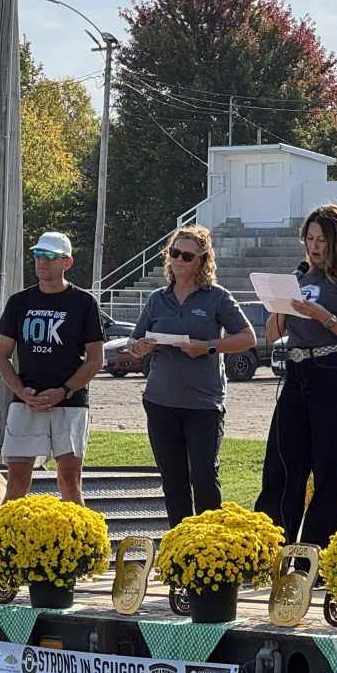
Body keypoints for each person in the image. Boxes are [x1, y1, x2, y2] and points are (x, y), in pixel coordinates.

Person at [254, 203, 337, 550]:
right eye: (309, 238)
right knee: (282, 464)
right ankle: (274, 547)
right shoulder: (301, 278)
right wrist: (278, 304)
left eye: (322, 239)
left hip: (333, 372)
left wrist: (324, 317)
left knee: (327, 468)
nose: (314, 246)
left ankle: (314, 553)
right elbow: (271, 335)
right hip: (296, 372)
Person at [128, 225, 255, 526]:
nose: (179, 260)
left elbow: (248, 337)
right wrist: (140, 347)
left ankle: (210, 545)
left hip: (203, 404)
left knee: (204, 476)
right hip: (160, 401)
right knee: (173, 482)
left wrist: (208, 347)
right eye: (174, 253)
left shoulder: (217, 297)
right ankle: (179, 550)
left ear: (202, 261)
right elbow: (133, 344)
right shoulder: (157, 299)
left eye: (187, 255)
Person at [0, 232, 106, 503]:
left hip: (69, 403)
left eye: (50, 256)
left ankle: (79, 543)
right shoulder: (19, 302)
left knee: (70, 481)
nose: (42, 261)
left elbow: (95, 360)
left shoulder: (84, 302)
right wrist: (21, 392)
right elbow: (1, 357)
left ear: (67, 262)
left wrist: (64, 391)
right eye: (38, 255)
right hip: (26, 402)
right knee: (16, 481)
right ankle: (6, 541)